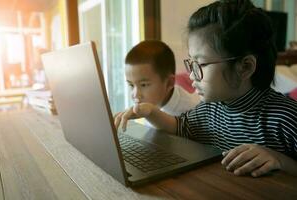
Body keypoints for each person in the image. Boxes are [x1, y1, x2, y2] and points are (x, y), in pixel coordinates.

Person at [114, 0, 297, 177]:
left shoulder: (286, 118)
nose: (192, 75)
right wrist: (150, 112)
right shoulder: (210, 110)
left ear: (245, 67)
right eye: (191, 63)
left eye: (200, 64)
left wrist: (280, 160)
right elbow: (180, 127)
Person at [115, 40, 199, 123]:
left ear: (169, 83)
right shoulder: (153, 103)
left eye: (144, 85)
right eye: (131, 85)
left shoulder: (191, 116)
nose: (135, 95)